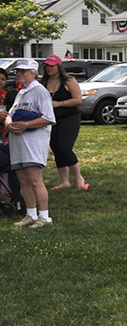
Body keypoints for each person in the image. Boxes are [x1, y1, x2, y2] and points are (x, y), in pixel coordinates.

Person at [3, 59, 56, 228]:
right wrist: (8, 124)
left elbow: (48, 118)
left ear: (34, 74)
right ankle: (31, 214)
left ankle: (44, 216)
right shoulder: (21, 93)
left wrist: (26, 125)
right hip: (18, 142)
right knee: (23, 179)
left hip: (33, 143)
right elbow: (10, 113)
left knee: (34, 180)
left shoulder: (40, 91)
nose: (19, 74)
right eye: (18, 71)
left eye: (23, 71)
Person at [41, 54, 87, 190]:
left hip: (69, 118)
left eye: (52, 65)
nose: (49, 68)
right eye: (47, 66)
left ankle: (79, 178)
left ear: (59, 66)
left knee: (64, 148)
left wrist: (58, 103)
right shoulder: (43, 82)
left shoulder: (68, 81)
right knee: (55, 148)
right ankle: (65, 181)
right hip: (51, 120)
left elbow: (78, 100)